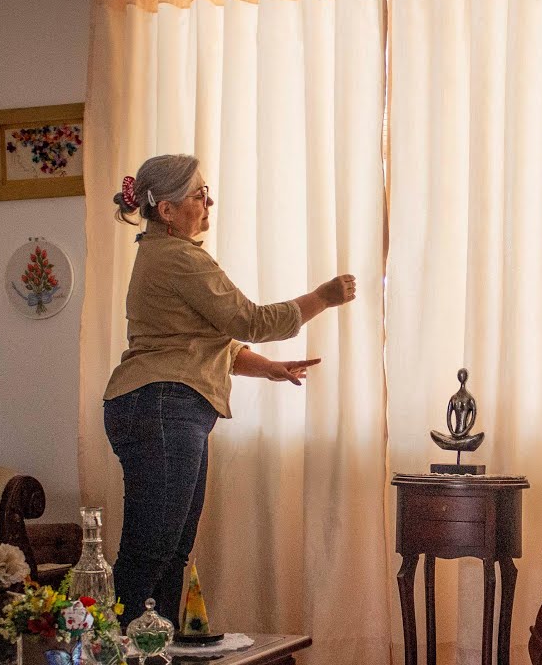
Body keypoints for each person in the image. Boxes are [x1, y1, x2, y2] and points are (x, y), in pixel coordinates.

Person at [102, 154, 356, 626]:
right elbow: (250, 321)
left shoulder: (161, 255)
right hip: (161, 405)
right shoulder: (178, 257)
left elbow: (197, 343)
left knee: (170, 550)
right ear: (167, 211)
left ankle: (155, 648)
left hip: (160, 403)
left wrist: (269, 369)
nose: (209, 201)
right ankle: (111, 651)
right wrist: (323, 297)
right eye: (199, 194)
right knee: (151, 549)